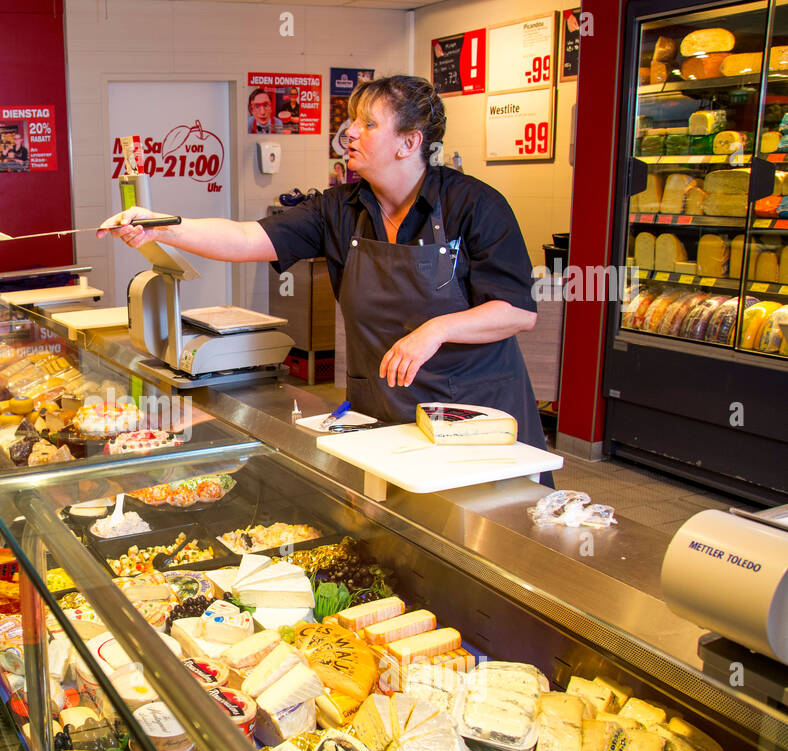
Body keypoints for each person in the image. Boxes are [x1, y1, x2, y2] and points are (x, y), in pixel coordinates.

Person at [100, 75, 549, 475]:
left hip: (476, 419)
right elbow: (244, 239)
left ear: (409, 143)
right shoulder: (340, 208)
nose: (349, 132)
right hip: (387, 412)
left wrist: (436, 330)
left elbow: (516, 312)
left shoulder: (475, 205)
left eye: (368, 124)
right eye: (352, 121)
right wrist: (163, 225)